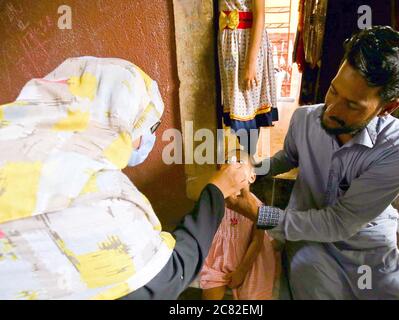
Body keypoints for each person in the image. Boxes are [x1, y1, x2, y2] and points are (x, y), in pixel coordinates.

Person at [0, 56, 249, 300]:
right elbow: (170, 274)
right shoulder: (101, 200)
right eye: (148, 127)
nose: (149, 139)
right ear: (120, 117)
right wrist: (215, 192)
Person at [227, 26, 399, 299]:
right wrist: (254, 167)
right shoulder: (305, 118)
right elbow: (289, 157)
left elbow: (340, 223)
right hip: (308, 234)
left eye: (352, 105)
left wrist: (262, 214)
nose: (331, 110)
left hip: (368, 242)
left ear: (387, 107)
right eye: (333, 91)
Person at [200, 149, 281, 300]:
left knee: (256, 289)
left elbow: (257, 241)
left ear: (252, 177)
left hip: (248, 260)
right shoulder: (215, 201)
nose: (232, 166)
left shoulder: (257, 207)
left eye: (239, 162)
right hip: (218, 258)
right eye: (227, 161)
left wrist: (242, 271)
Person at [218, 0, 278, 156]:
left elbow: (260, 16)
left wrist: (250, 64)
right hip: (229, 45)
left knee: (248, 106)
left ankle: (250, 157)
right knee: (236, 105)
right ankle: (248, 156)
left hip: (247, 45)